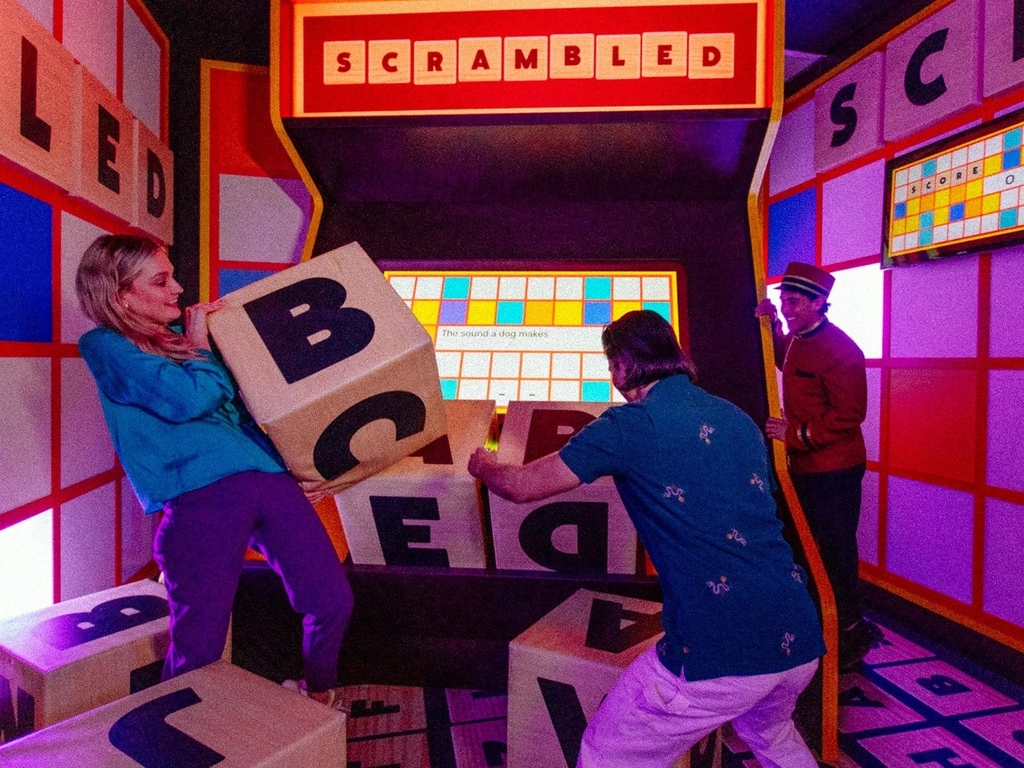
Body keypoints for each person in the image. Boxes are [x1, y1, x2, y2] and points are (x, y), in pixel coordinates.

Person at [469, 310, 825, 768]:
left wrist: (483, 464)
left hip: (720, 647)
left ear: (621, 365)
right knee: (771, 732)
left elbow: (520, 487)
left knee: (606, 755)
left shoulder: (626, 427)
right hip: (797, 635)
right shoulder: (737, 419)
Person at [76, 234, 353, 708]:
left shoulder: (179, 345)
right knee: (199, 646)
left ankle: (318, 694)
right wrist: (203, 343)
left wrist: (297, 470)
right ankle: (174, 739)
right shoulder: (103, 344)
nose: (178, 288)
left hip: (268, 480)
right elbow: (190, 400)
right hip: (201, 498)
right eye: (161, 281)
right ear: (121, 294)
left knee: (331, 599)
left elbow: (244, 414)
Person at [755, 261, 879, 671]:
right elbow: (783, 357)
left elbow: (849, 415)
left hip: (835, 470)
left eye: (793, 302)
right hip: (804, 469)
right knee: (806, 548)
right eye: (783, 300)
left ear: (819, 302)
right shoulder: (797, 339)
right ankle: (819, 625)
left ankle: (850, 631)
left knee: (835, 549)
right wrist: (770, 325)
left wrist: (794, 433)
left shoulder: (841, 350)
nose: (787, 307)